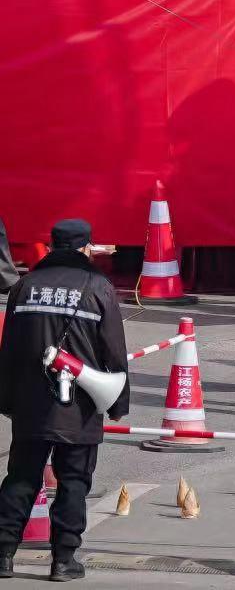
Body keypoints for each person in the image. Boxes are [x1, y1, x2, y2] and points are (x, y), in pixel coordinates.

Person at [0, 219, 129, 582]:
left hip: (30, 403)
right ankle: (63, 560)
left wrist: (7, 399)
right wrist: (117, 404)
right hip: (81, 404)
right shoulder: (97, 287)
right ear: (86, 248)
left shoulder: (23, 287)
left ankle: (4, 554)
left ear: (52, 246)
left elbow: (8, 349)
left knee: (21, 478)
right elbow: (114, 352)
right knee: (73, 481)